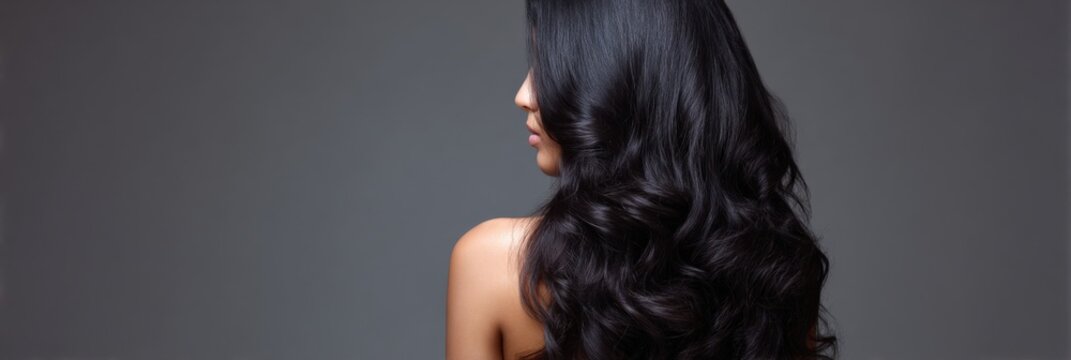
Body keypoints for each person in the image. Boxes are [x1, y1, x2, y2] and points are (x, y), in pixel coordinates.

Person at [446, 0, 837, 358]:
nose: (524, 95)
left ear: (614, 82)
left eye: (548, 69)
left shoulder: (493, 263)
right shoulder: (779, 265)